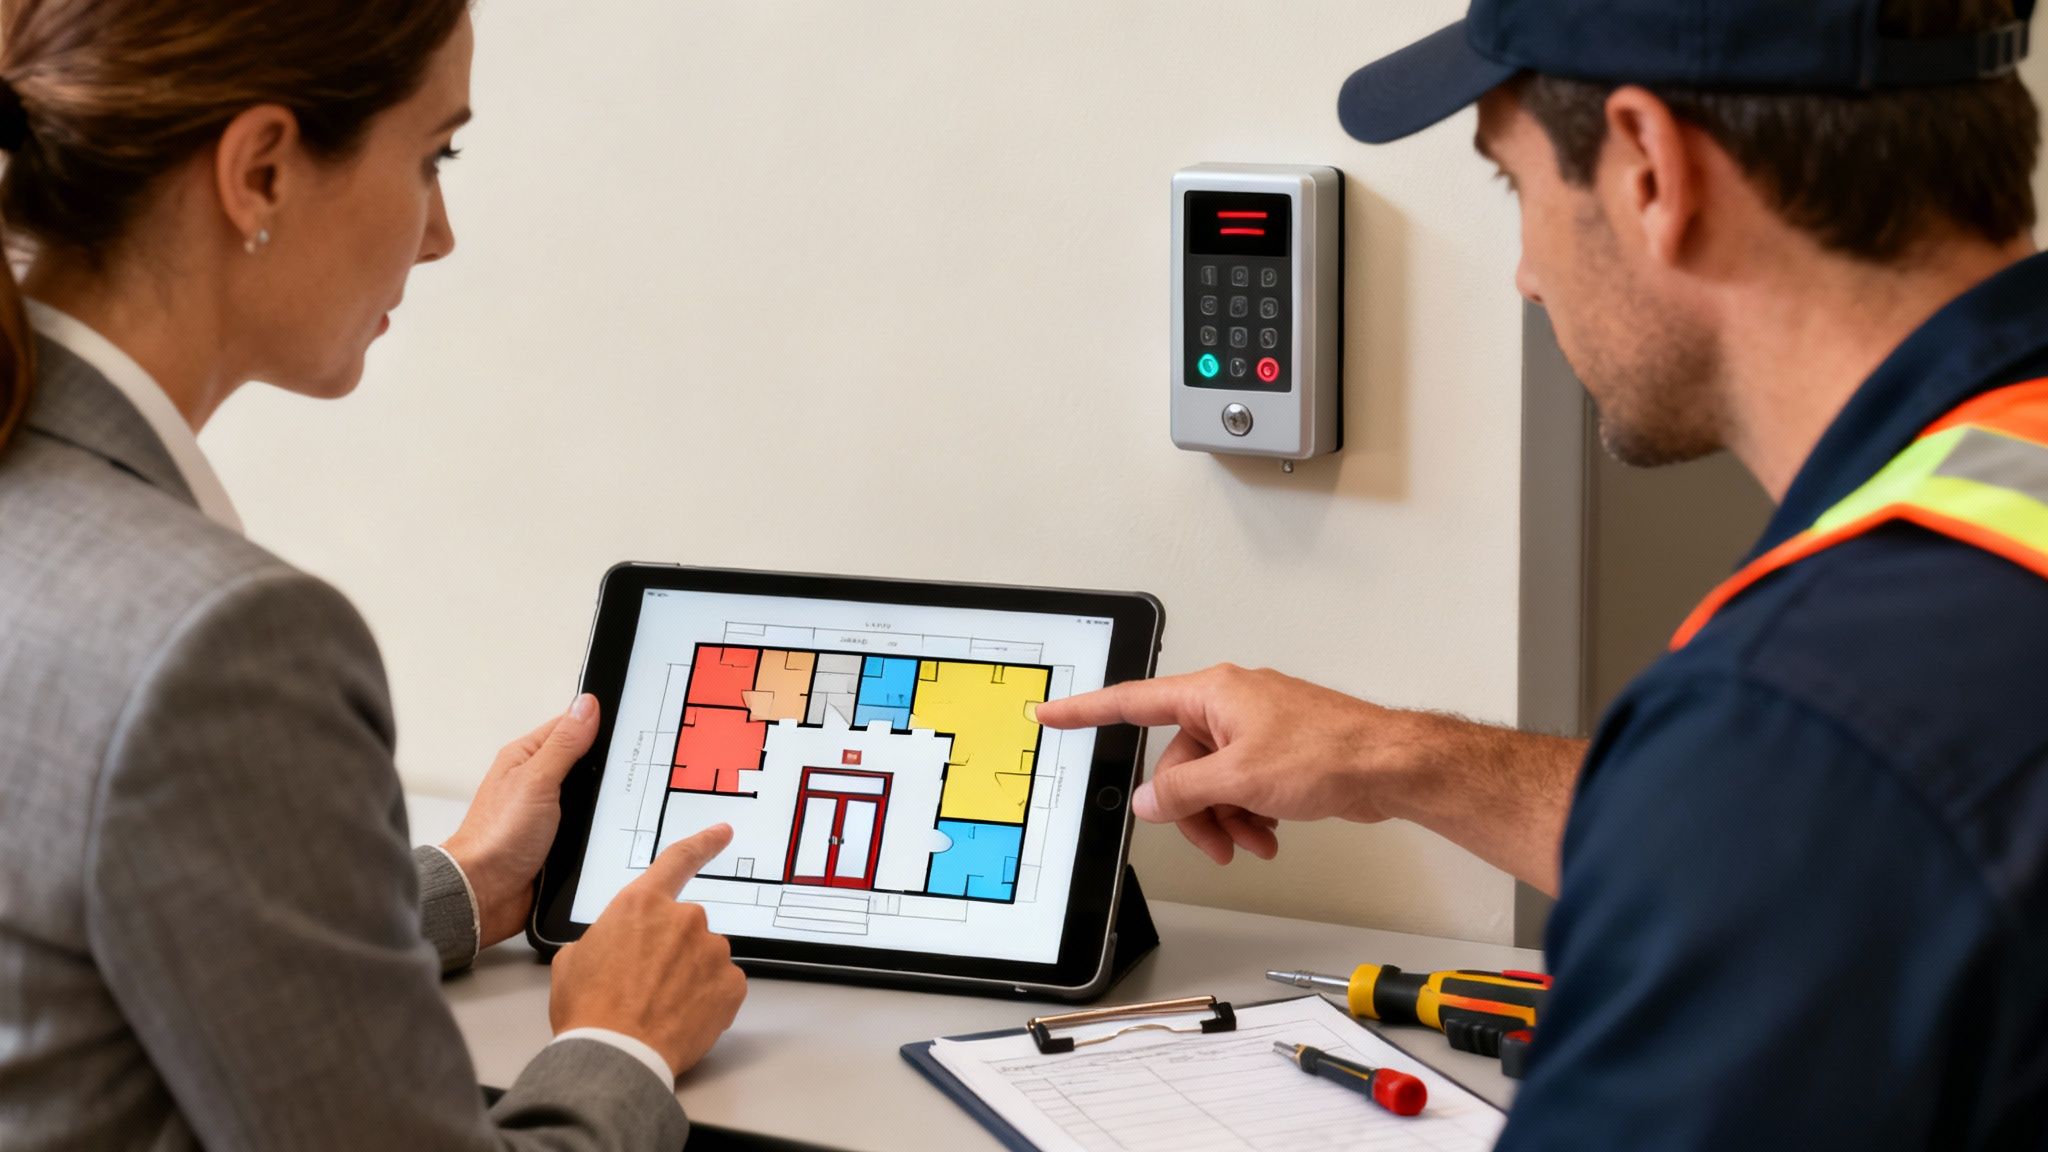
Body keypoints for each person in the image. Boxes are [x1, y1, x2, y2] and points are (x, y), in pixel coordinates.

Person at [1040, 0, 2048, 1145]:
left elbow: (1804, 805)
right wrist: (1399, 759)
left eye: (1512, 187)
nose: (1524, 275)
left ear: (1648, 170)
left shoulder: (1799, 720)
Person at [0, 2, 744, 1148]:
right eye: (431, 155)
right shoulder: (217, 641)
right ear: (260, 171)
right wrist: (620, 1038)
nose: (438, 233)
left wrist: (457, 883)